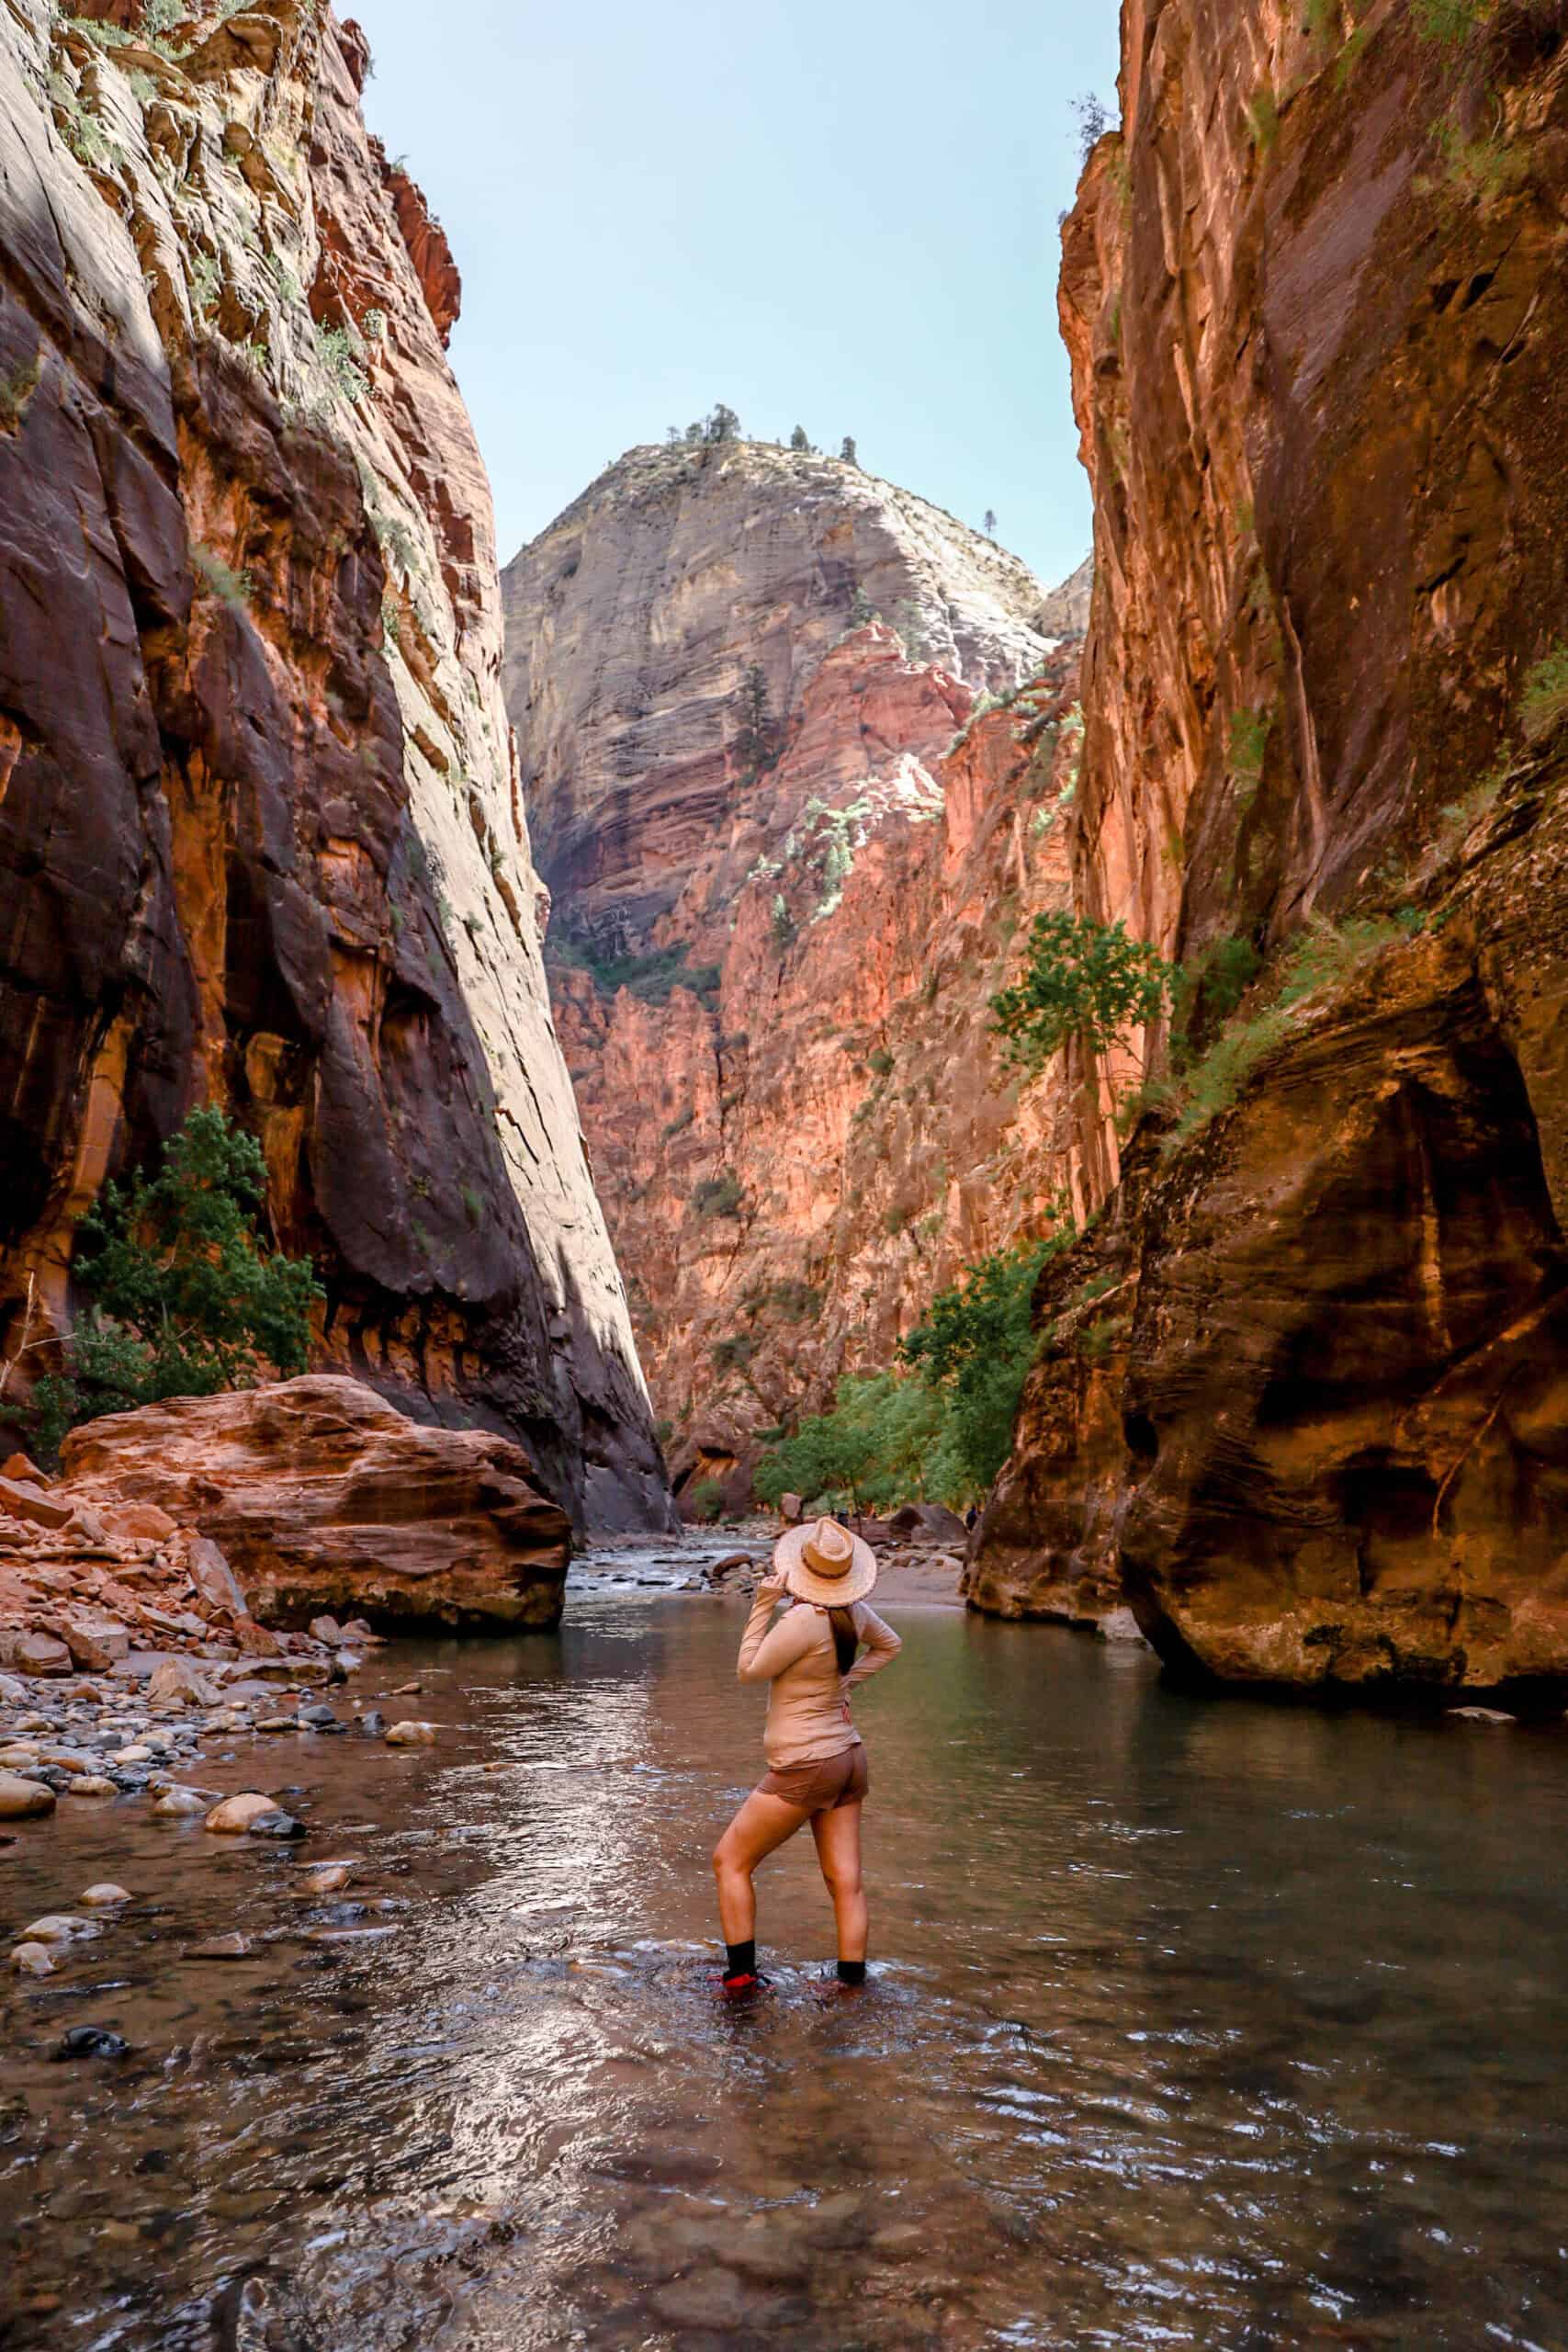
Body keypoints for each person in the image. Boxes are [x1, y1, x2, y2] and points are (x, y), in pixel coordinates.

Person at [711, 1515, 901, 1996]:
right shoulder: (853, 1612)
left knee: (730, 1860)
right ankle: (851, 1985)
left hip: (807, 1766)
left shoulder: (803, 1620)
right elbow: (889, 1646)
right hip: (849, 1759)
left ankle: (741, 1980)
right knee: (846, 1882)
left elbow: (748, 1670)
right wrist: (846, 1682)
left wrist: (762, 1606)